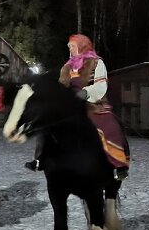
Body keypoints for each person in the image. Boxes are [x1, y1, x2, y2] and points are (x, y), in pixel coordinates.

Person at [25, 33, 128, 172]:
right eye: (69, 47)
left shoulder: (96, 63)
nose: (70, 50)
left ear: (82, 46)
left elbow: (101, 86)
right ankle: (40, 159)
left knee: (110, 125)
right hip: (69, 103)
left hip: (91, 102)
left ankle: (118, 164)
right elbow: (61, 86)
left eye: (72, 46)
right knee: (47, 123)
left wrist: (85, 93)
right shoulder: (68, 66)